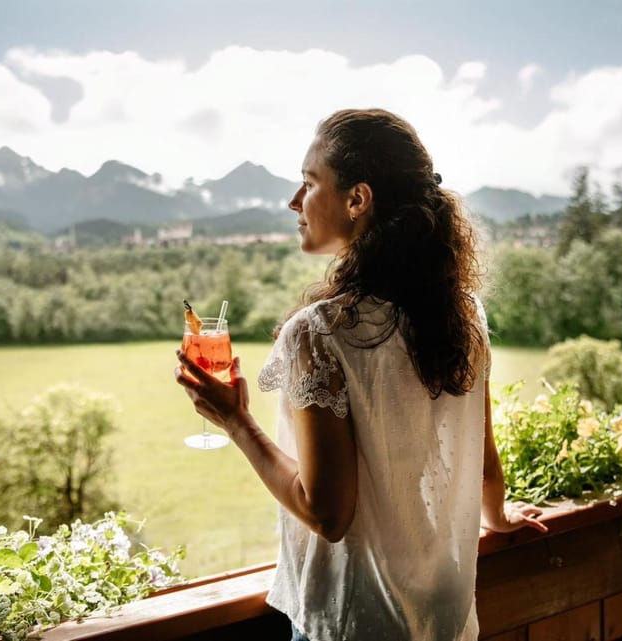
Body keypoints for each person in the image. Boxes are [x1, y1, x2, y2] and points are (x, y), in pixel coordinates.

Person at [175, 108, 547, 641]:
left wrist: (235, 421)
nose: (294, 202)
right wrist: (498, 517)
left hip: (357, 619)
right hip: (444, 610)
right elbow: (482, 457)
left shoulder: (318, 332)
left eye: (309, 183)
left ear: (357, 199)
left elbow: (327, 514)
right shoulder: (463, 313)